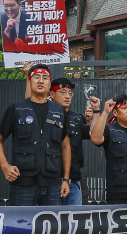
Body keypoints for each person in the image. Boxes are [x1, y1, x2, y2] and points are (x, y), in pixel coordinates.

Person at [0, 64, 72, 205]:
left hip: (52, 184)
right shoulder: (17, 108)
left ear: (49, 84)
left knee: (51, 226)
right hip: (23, 182)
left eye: (45, 78)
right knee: (20, 225)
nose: (41, 81)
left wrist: (65, 179)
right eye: (36, 77)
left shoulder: (59, 111)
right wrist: (5, 166)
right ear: (29, 82)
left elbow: (66, 146)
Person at [22, 65, 93, 205]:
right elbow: (30, 106)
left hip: (75, 176)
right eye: (63, 92)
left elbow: (93, 136)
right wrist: (28, 77)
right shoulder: (45, 113)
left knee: (75, 220)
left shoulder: (77, 117)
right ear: (51, 95)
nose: (67, 96)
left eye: (70, 93)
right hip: (50, 177)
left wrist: (93, 118)